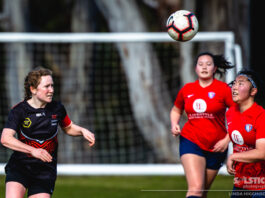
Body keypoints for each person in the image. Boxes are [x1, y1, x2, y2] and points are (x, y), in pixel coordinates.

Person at [1, 67, 95, 198]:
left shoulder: (57, 108)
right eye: (47, 86)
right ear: (33, 89)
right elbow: (5, 139)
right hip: (20, 167)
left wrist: (82, 131)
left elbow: (68, 127)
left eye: (52, 86)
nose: (51, 90)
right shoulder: (19, 111)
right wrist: (33, 150)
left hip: (44, 171)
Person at [170, 52, 235, 198]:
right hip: (191, 140)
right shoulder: (187, 89)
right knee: (195, 189)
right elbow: (176, 109)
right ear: (195, 69)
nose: (204, 67)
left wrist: (227, 139)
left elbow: (238, 116)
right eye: (201, 64)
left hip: (217, 146)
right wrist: (174, 124)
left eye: (208, 64)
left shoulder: (224, 89)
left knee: (202, 192)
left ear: (214, 68)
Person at [226, 70, 265, 198]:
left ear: (253, 91)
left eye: (240, 84)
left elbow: (262, 153)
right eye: (234, 83)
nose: (234, 87)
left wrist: (233, 157)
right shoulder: (230, 112)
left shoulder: (261, 116)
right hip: (241, 182)